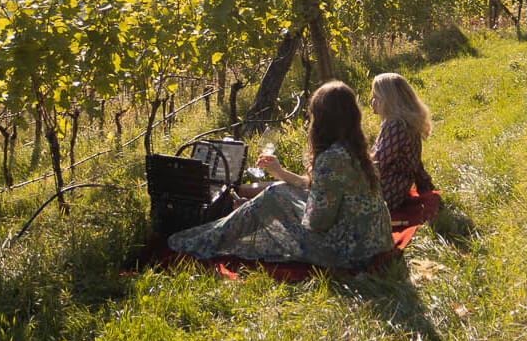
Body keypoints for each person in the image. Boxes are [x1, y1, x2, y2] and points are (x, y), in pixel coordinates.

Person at [167, 80, 393, 270]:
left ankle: (207, 238)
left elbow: (318, 222)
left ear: (322, 120)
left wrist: (287, 209)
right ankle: (227, 221)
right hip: (375, 240)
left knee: (274, 196)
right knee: (281, 190)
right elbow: (323, 189)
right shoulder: (353, 148)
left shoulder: (331, 158)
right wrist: (281, 173)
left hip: (348, 253)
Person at [370, 72, 434, 211]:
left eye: (375, 96)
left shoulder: (395, 126)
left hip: (385, 191)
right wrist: (425, 184)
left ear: (387, 100)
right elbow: (415, 163)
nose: (371, 101)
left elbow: (376, 164)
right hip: (396, 189)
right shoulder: (405, 123)